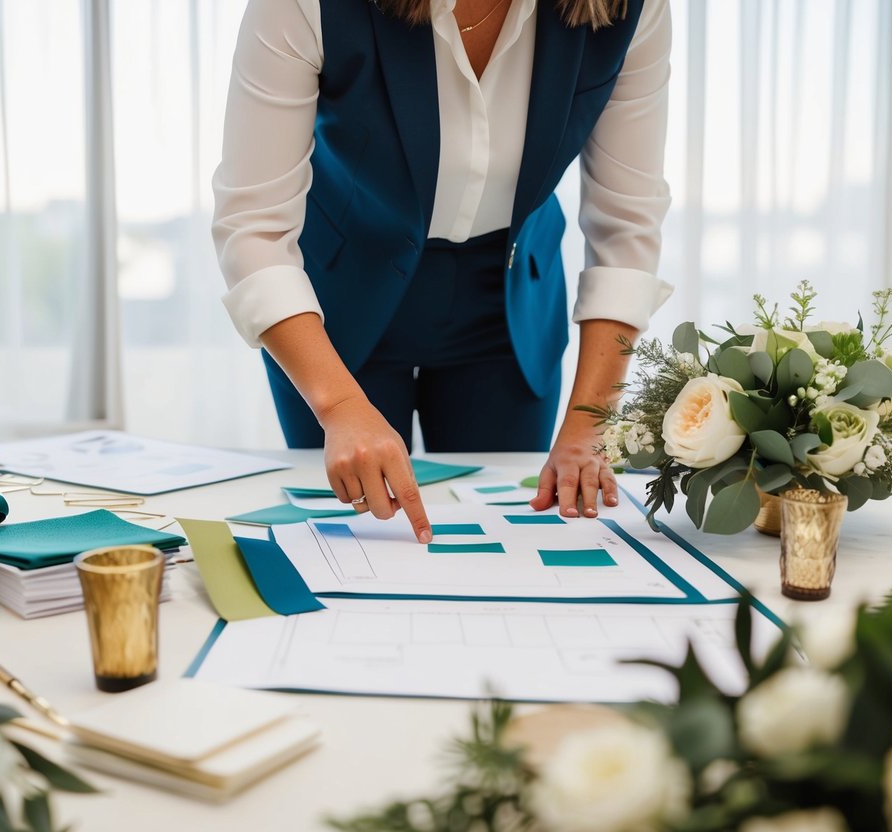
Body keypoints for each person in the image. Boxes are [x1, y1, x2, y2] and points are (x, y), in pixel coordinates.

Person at [212, 0, 673, 543]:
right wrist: (338, 405)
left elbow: (627, 224)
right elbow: (253, 224)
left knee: (511, 540)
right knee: (354, 542)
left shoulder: (633, 8)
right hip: (336, 298)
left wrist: (592, 420)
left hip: (508, 301)